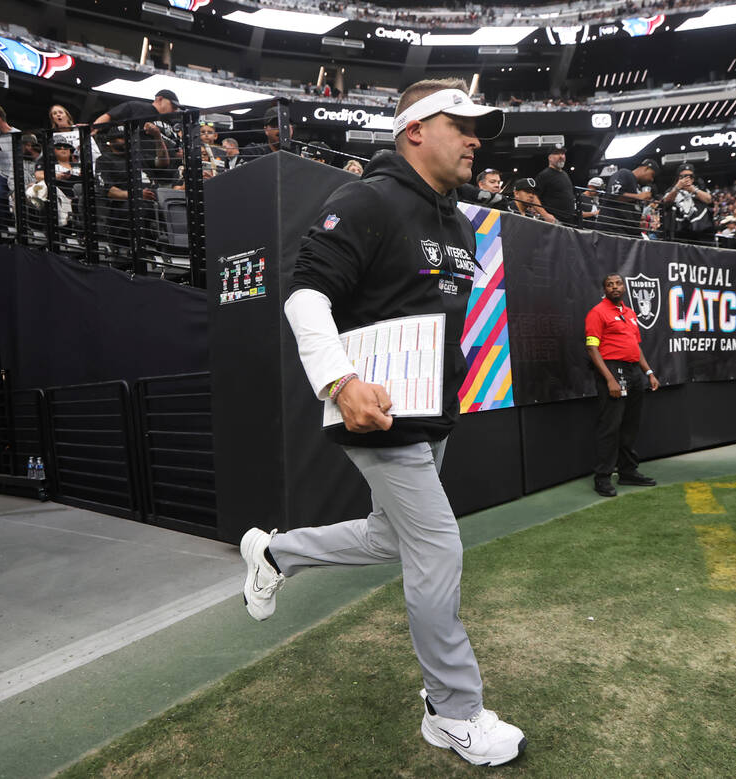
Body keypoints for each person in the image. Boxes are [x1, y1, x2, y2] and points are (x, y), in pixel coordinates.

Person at [240, 78, 526, 766]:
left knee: (385, 536)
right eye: (462, 125)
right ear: (416, 129)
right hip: (375, 414)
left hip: (432, 415)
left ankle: (276, 554)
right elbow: (305, 297)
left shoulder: (458, 220)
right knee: (437, 547)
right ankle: (451, 711)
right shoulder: (367, 197)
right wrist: (339, 382)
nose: (475, 139)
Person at [584, 273, 660, 497]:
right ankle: (603, 477)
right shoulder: (597, 312)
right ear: (604, 289)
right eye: (610, 284)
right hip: (612, 370)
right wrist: (609, 379)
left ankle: (627, 471)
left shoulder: (629, 313)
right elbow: (591, 348)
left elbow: (636, 347)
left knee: (630, 425)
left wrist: (649, 372)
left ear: (624, 288)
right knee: (610, 426)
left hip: (633, 371)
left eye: (618, 283)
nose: (614, 287)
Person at [597, 158, 658, 237]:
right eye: (652, 175)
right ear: (646, 168)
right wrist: (638, 196)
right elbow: (612, 194)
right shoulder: (625, 173)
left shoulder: (637, 187)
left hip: (628, 233)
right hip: (613, 231)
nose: (651, 179)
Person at [661, 164, 714, 241]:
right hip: (677, 232)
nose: (687, 178)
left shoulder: (700, 188)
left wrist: (693, 189)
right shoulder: (671, 190)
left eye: (690, 176)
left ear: (693, 179)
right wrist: (677, 188)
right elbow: (666, 203)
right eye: (684, 176)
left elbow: (709, 199)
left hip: (699, 233)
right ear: (679, 178)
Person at [534, 143, 575, 225]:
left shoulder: (564, 174)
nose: (561, 156)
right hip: (555, 221)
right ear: (550, 158)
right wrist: (545, 215)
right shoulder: (545, 175)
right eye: (556, 153)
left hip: (569, 220)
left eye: (562, 153)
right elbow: (534, 196)